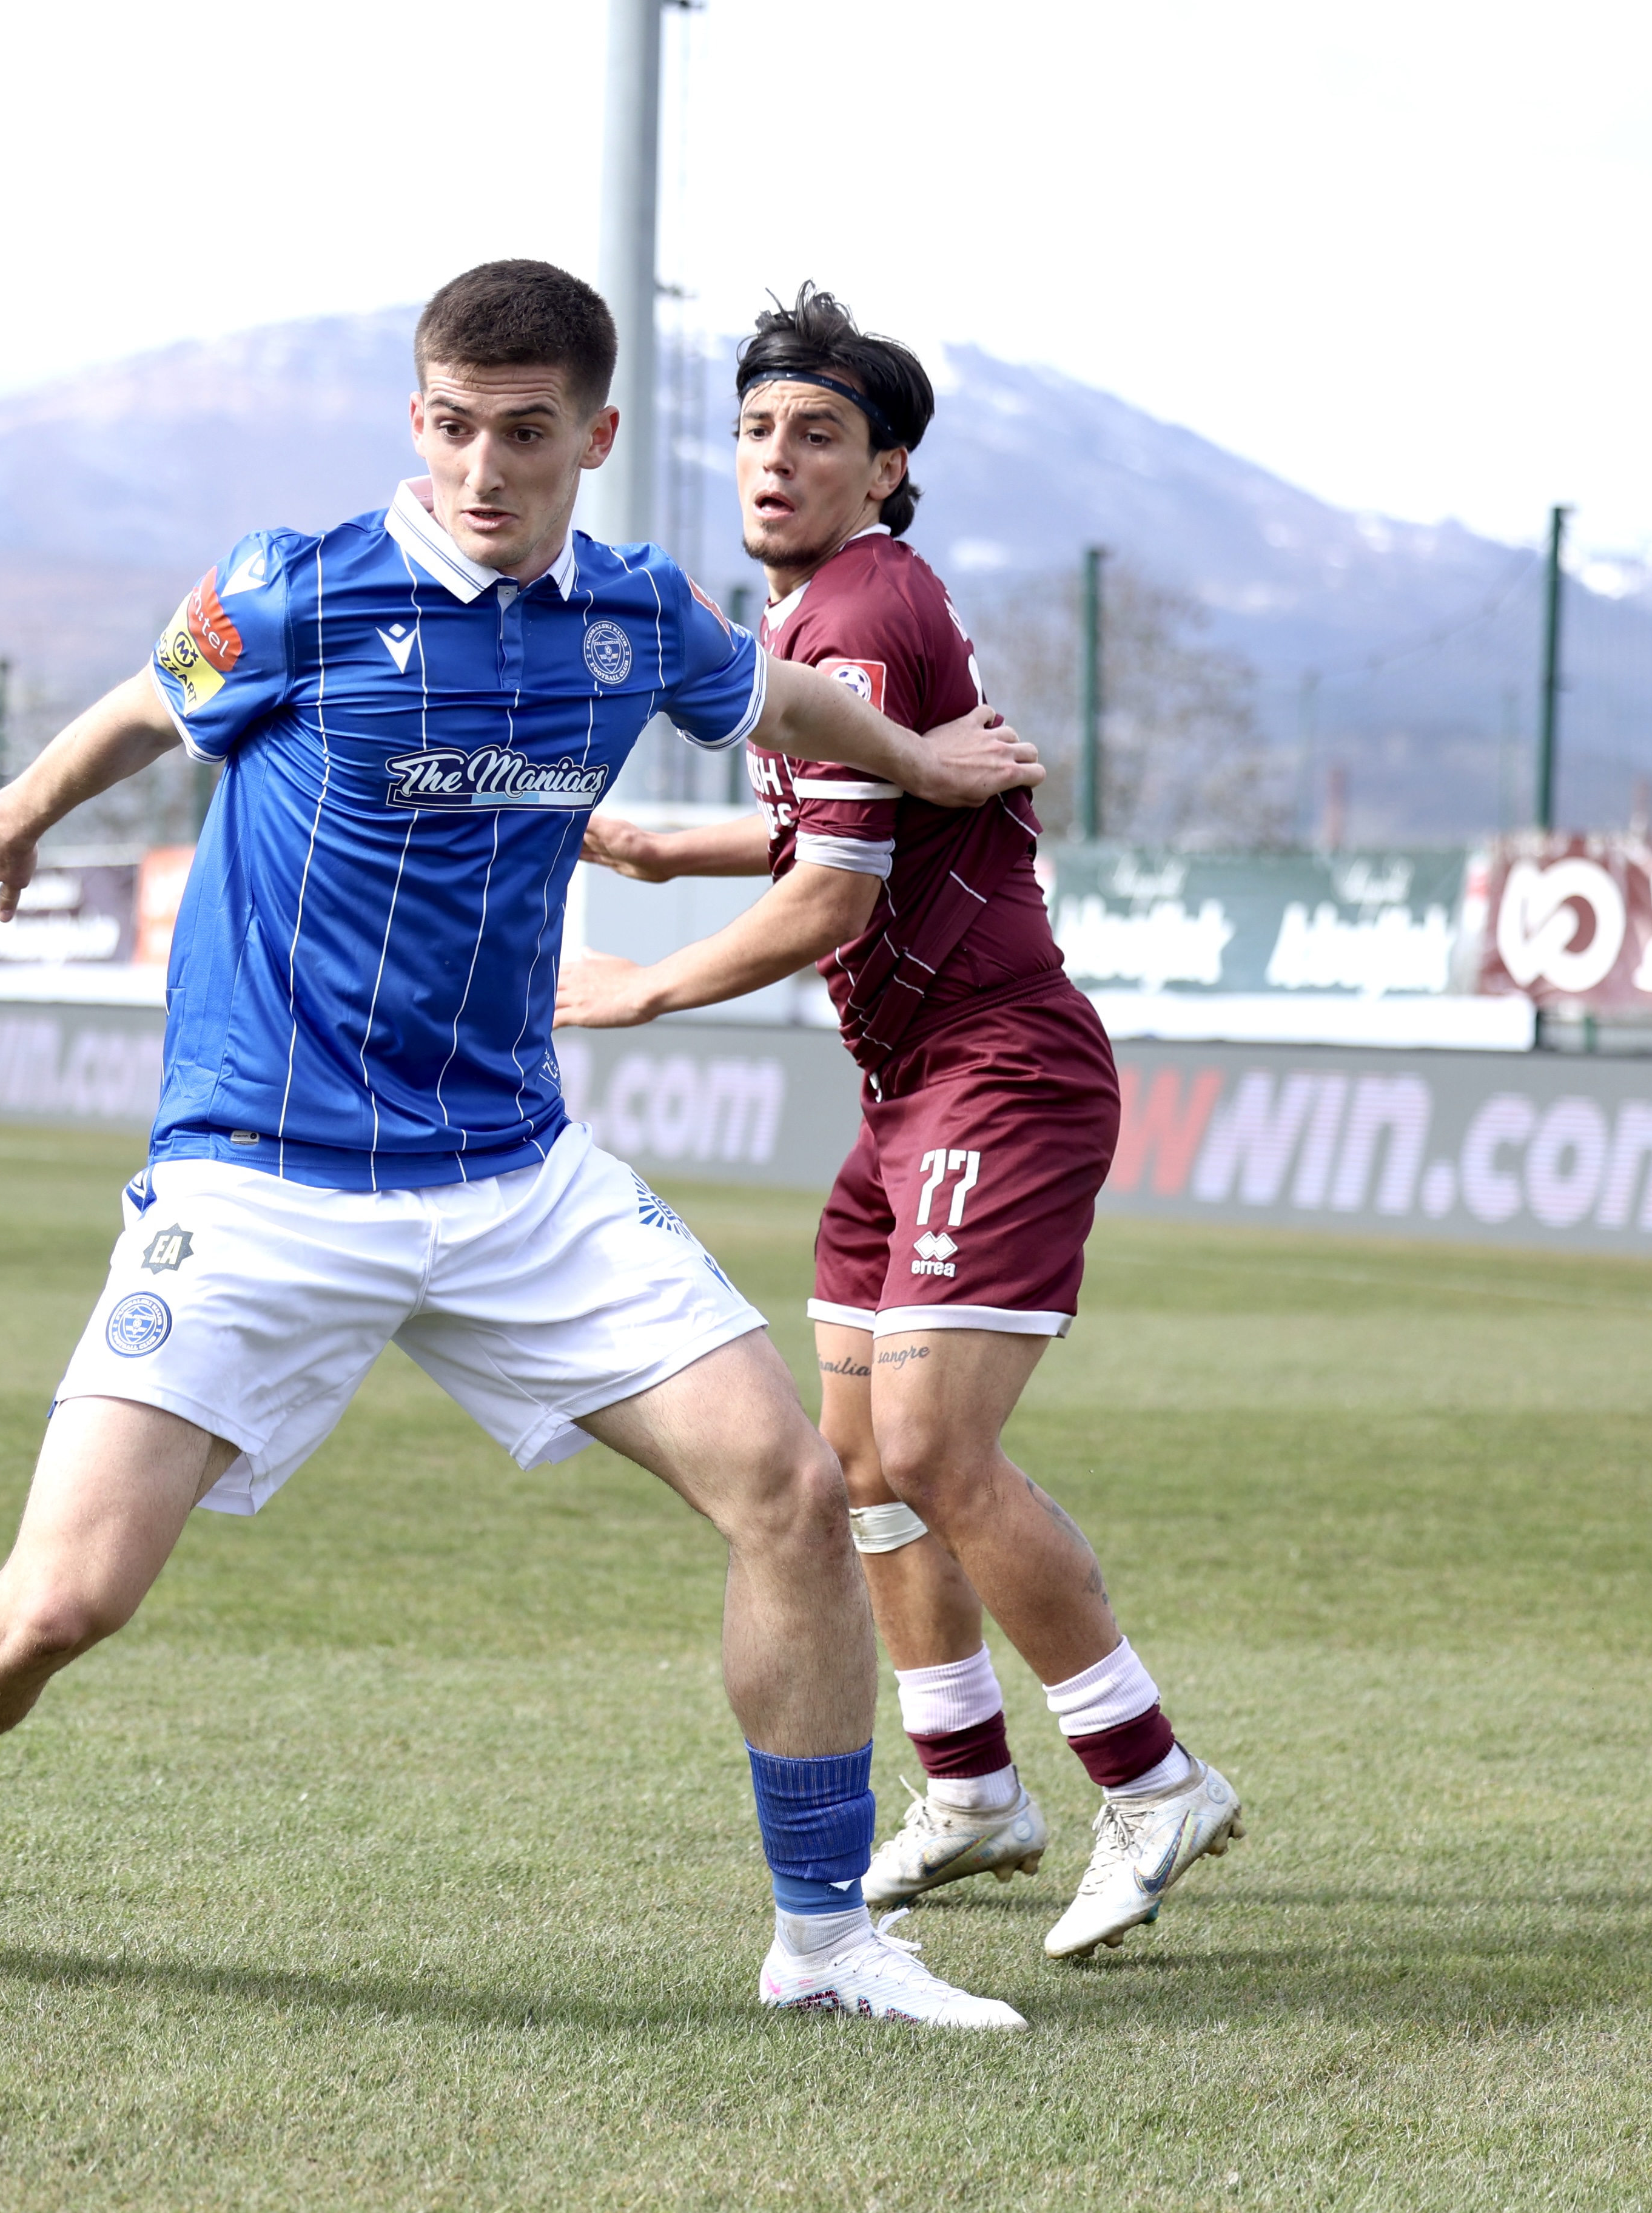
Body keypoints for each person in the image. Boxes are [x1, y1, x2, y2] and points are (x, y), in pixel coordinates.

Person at [0, 261, 1052, 2027]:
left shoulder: (635, 617)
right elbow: (148, 706)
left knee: (786, 1486)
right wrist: (14, 808)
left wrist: (918, 761)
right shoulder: (297, 589)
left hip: (511, 1177)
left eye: (527, 435)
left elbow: (778, 703)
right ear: (418, 421)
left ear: (595, 439)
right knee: (59, 1603)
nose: (485, 468)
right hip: (261, 1176)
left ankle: (826, 1934)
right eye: (455, 428)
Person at [560, 286, 1245, 1961]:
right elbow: (835, 817)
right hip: (908, 1094)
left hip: (995, 1074)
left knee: (936, 1449)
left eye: (816, 435)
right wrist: (667, 848)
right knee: (859, 1462)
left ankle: (1151, 1780)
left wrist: (640, 989)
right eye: (752, 429)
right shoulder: (834, 614)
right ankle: (969, 1788)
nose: (773, 459)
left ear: (888, 471)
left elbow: (836, 900)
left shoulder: (855, 612)